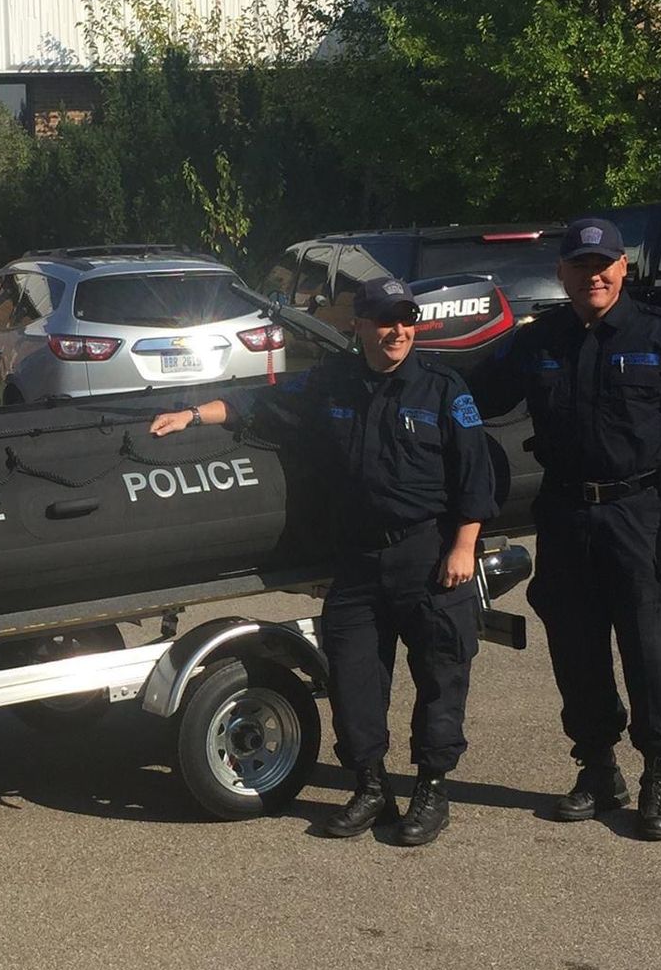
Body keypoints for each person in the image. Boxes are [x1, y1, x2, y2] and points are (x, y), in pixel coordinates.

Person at [150, 274, 496, 846]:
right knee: (354, 679)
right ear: (358, 325)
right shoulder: (332, 384)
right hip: (358, 558)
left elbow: (475, 473)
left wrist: (463, 547)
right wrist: (192, 415)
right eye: (385, 320)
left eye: (407, 319)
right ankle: (371, 785)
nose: (398, 331)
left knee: (440, 674)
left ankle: (432, 790)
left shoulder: (442, 388)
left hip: (429, 554)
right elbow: (258, 405)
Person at [494, 217, 661, 840]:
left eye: (604, 264)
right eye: (581, 266)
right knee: (575, 644)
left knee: (648, 644)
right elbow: (476, 391)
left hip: (638, 511)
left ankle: (659, 768)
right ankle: (597, 766)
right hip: (565, 510)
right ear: (563, 274)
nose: (593, 275)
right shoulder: (539, 340)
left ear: (623, 269)